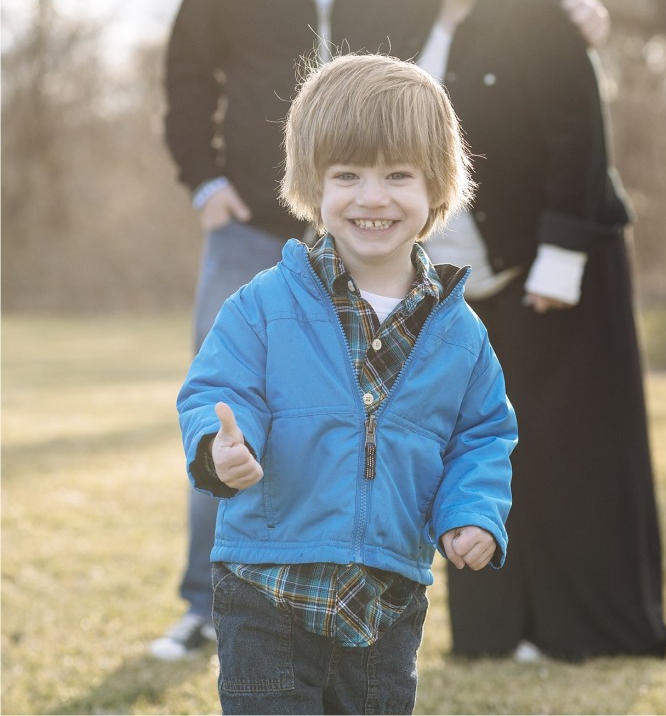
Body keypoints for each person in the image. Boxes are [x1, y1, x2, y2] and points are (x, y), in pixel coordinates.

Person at [155, 0, 608, 660]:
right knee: (228, 402)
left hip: (376, 215)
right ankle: (211, 600)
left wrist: (559, 0)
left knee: (381, 408)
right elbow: (184, 74)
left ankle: (367, 577)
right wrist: (204, 181)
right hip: (258, 216)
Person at [176, 52, 518, 715]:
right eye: (347, 175)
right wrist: (224, 447)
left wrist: (472, 512)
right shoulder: (263, 303)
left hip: (386, 600)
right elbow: (217, 391)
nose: (371, 197)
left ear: (436, 187)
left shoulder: (458, 332)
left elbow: (482, 436)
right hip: (264, 586)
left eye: (397, 175)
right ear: (313, 183)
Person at [400, 0, 666, 661]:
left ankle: (578, 630)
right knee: (477, 449)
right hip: (461, 281)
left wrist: (557, 267)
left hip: (559, 271)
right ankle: (494, 632)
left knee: (568, 450)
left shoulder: (540, 20)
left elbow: (578, 146)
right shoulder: (415, 17)